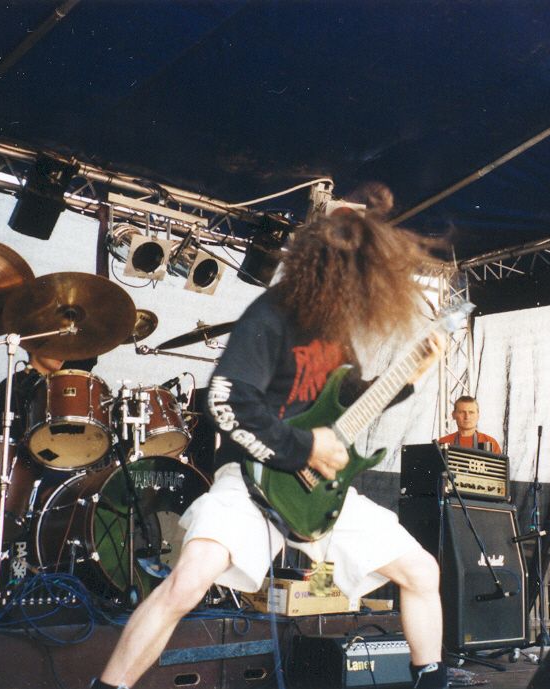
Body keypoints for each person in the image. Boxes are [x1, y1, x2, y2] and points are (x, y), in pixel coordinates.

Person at [92, 212, 451, 689]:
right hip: (252, 479)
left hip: (315, 490)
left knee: (421, 571)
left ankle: (431, 681)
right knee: (188, 581)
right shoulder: (273, 313)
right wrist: (305, 446)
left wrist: (409, 375)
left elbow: (348, 400)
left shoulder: (337, 332)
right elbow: (227, 400)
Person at [437, 395, 502, 454]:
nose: (467, 417)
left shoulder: (490, 442)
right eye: (462, 412)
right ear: (453, 415)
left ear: (478, 416)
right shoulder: (443, 442)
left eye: (471, 412)